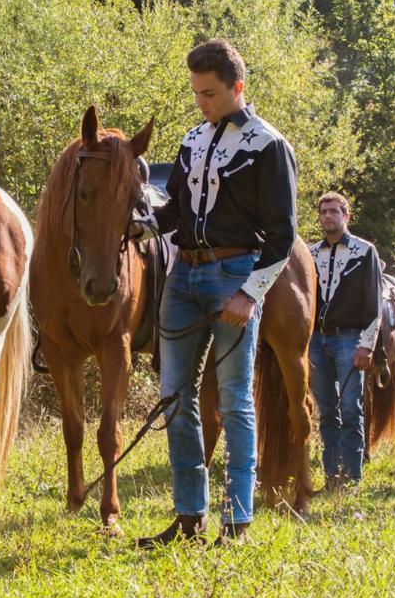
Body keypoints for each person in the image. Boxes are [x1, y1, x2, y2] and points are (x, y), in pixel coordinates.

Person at [130, 38, 298, 546]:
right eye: (196, 93)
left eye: (209, 94)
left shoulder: (269, 145)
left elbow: (284, 234)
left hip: (235, 274)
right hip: (184, 276)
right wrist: (141, 227)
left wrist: (250, 294)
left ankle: (237, 522)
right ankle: (188, 518)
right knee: (174, 399)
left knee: (234, 400)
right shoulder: (191, 141)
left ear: (237, 87)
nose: (201, 103)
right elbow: (175, 212)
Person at [308, 192, 382, 489]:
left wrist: (368, 344)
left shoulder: (365, 252)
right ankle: (330, 475)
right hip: (316, 341)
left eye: (334, 212)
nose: (328, 216)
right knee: (327, 410)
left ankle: (352, 477)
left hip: (349, 338)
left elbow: (374, 303)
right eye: (323, 212)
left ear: (346, 216)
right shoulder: (310, 253)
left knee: (351, 407)